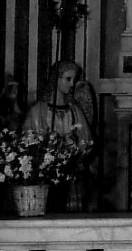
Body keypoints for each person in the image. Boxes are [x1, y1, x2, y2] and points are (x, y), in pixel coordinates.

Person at [23, 60, 95, 210]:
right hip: (45, 179)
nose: (72, 84)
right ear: (56, 79)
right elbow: (27, 142)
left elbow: (86, 141)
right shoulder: (38, 111)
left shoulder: (75, 111)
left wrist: (75, 146)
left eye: (74, 80)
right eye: (68, 79)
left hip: (72, 177)